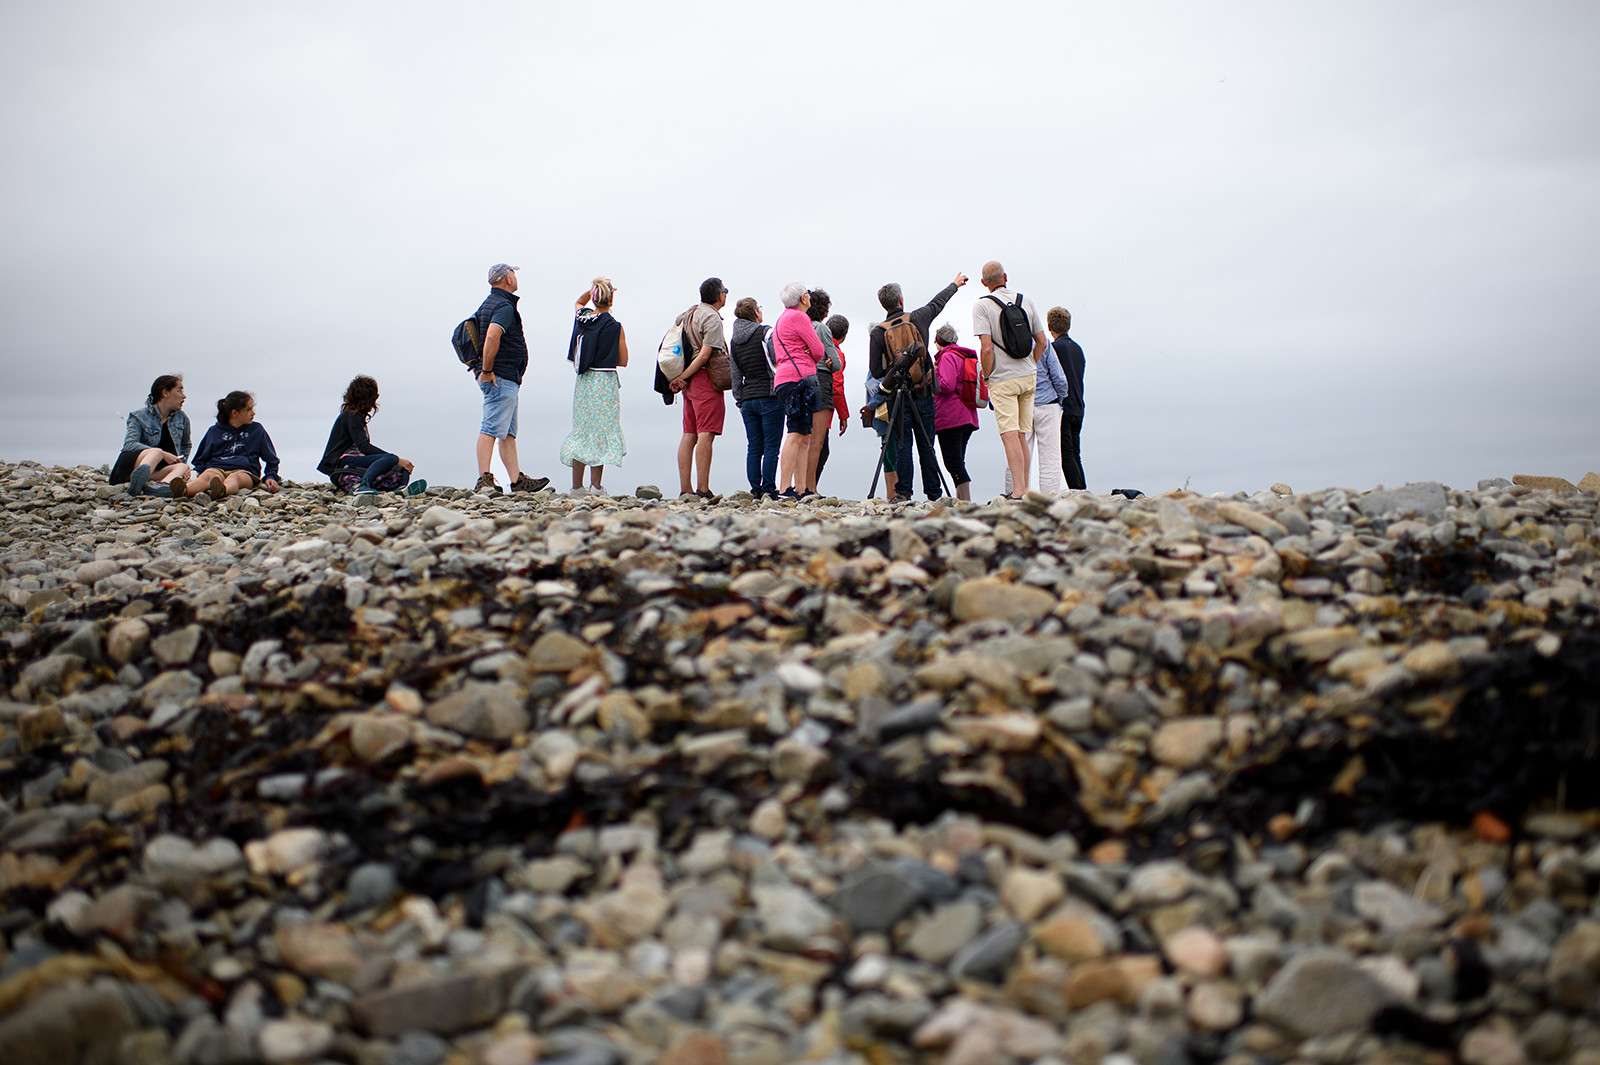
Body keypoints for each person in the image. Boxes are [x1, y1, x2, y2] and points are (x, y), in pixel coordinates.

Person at [868, 272, 967, 501]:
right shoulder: (918, 317)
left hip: (897, 397)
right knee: (927, 445)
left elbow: (875, 371)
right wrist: (954, 284)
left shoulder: (878, 332)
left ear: (883, 305)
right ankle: (934, 494)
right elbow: (938, 302)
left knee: (903, 445)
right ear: (901, 300)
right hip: (923, 392)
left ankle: (903, 492)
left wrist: (895, 370)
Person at [471, 264, 550, 495]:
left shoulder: (490, 303)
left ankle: (516, 481)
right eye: (513, 273)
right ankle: (484, 479)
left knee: (507, 432)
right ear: (507, 278)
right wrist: (486, 370)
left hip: (504, 376)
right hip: (500, 375)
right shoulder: (504, 306)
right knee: (491, 427)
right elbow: (493, 335)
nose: (516, 277)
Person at [972, 260, 1047, 499]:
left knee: (1009, 434)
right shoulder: (1026, 301)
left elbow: (986, 348)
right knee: (1022, 434)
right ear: (1005, 276)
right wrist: (1030, 365)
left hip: (1003, 379)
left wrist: (987, 375)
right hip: (1028, 376)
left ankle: (1018, 491)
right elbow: (1042, 342)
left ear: (984, 283)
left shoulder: (982, 306)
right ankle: (1025, 489)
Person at [560, 277, 629, 494]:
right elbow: (623, 360)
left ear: (594, 297)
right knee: (601, 431)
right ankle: (596, 486)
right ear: (611, 299)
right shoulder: (615, 326)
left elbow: (578, 302)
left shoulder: (583, 318)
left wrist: (592, 290)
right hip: (604, 381)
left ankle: (576, 487)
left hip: (584, 382)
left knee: (583, 430)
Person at [669, 277, 730, 499]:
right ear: (719, 295)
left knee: (689, 433)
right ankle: (703, 487)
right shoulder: (712, 318)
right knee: (706, 433)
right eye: (725, 290)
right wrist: (684, 376)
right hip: (705, 377)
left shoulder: (688, 313)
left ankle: (685, 488)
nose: (726, 294)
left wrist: (681, 376)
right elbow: (705, 353)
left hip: (689, 383)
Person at [318, 375, 426, 498]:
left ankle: (399, 489)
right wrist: (394, 459)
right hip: (344, 462)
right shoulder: (351, 416)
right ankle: (362, 485)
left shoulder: (355, 416)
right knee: (392, 459)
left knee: (402, 468)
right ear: (368, 398)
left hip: (357, 461)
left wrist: (396, 462)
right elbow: (364, 447)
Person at [770, 282, 826, 500]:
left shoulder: (780, 320)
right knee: (796, 433)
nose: (809, 297)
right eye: (807, 294)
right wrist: (808, 350)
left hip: (785, 378)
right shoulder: (799, 317)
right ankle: (785, 487)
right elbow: (818, 350)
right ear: (803, 299)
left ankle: (801, 488)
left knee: (804, 433)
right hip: (799, 378)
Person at [1001, 330, 1071, 496]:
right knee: (1050, 456)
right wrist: (1060, 398)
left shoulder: (1007, 344)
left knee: (1017, 454)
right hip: (1047, 404)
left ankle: (1014, 494)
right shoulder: (1043, 342)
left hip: (1019, 404)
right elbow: (1059, 377)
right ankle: (1049, 497)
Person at [185, 391, 282, 499]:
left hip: (245, 471)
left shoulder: (257, 430)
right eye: (248, 409)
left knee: (234, 478)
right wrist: (197, 471)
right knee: (206, 477)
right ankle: (183, 490)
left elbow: (271, 459)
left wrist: (271, 476)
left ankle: (222, 490)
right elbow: (201, 458)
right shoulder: (214, 431)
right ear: (235, 413)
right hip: (216, 468)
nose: (253, 413)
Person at [729, 297, 780, 498]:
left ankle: (755, 489)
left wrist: (739, 399)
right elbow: (776, 359)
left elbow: (735, 373)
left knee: (754, 446)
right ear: (756, 313)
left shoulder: (734, 340)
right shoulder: (766, 332)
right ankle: (768, 488)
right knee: (771, 446)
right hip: (769, 395)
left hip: (748, 399)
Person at [113, 374, 193, 497]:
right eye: (179, 390)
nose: (184, 395)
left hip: (156, 471)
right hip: (131, 466)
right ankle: (137, 480)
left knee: (182, 466)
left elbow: (185, 445)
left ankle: (161, 487)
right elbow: (129, 445)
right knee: (156, 453)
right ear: (165, 392)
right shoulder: (138, 416)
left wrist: (181, 463)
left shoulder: (182, 418)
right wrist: (162, 453)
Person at [932, 325, 980, 502]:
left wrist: (933, 375)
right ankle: (961, 500)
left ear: (938, 340)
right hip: (968, 414)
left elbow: (946, 385)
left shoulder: (947, 357)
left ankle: (965, 502)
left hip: (951, 417)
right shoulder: (963, 356)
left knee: (952, 462)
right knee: (959, 460)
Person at [803, 289, 843, 493]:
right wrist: (828, 363)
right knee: (817, 442)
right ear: (824, 311)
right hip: (820, 380)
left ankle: (797, 485)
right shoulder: (821, 329)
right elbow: (836, 363)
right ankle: (810, 487)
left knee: (801, 438)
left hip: (799, 381)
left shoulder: (799, 326)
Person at [1051, 306, 1088, 491]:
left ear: (1050, 327)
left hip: (1064, 406)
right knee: (1076, 453)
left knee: (1065, 453)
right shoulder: (1078, 349)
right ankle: (1082, 488)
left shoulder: (1054, 349)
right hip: (1079, 405)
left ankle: (1077, 490)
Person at [813, 314, 851, 488]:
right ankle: (809, 486)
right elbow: (837, 386)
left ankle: (800, 486)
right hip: (823, 403)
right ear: (844, 335)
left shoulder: (814, 345)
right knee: (821, 448)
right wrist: (843, 415)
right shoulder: (835, 354)